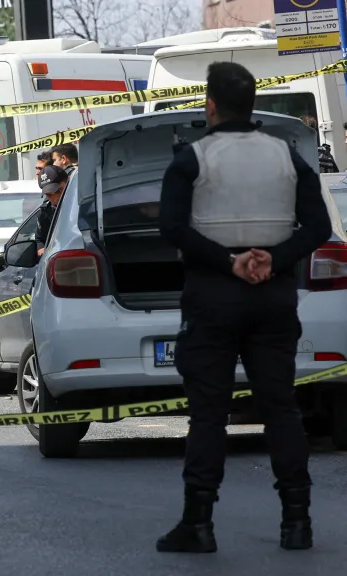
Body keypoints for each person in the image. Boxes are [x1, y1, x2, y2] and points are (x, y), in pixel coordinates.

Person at [156, 61, 331, 554]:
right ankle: (297, 522)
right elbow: (317, 228)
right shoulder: (286, 156)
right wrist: (273, 259)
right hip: (273, 295)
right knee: (281, 408)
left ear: (210, 105)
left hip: (213, 295)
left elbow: (172, 228)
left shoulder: (192, 158)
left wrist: (229, 263)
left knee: (208, 414)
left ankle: (199, 523)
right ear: (253, 105)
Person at [34, 164, 68, 255]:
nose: (55, 198)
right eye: (49, 194)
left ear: (68, 181)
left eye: (58, 191)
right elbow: (39, 240)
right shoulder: (45, 212)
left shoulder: (83, 204)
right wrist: (44, 254)